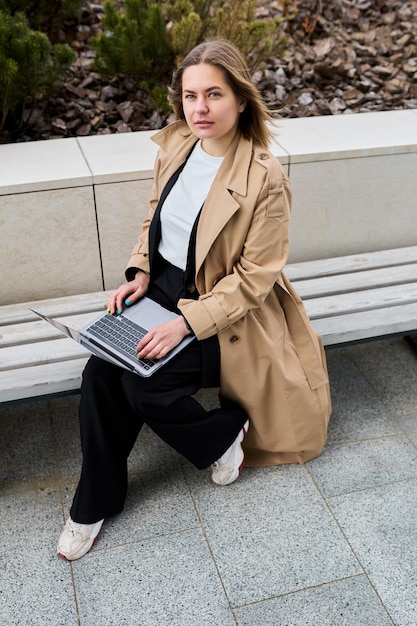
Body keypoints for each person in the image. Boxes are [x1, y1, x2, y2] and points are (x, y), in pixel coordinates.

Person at [57, 39, 331, 561]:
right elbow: (156, 217)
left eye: (214, 95)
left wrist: (185, 324)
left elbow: (255, 277)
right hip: (162, 289)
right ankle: (94, 504)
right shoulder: (178, 146)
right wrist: (139, 270)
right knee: (98, 374)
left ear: (241, 99)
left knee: (143, 388)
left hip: (225, 311)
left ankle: (225, 433)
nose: (199, 108)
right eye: (190, 96)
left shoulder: (265, 178)